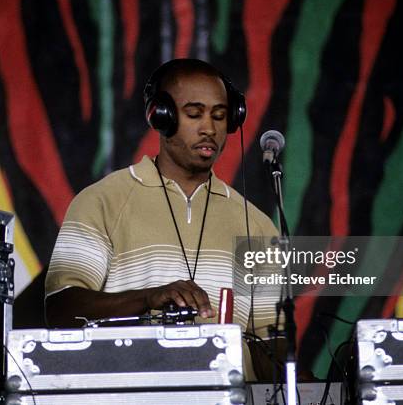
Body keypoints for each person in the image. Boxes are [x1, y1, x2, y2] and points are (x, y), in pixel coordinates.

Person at [44, 59, 280, 378]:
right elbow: (61, 308)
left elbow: (271, 343)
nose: (209, 128)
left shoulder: (259, 225)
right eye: (194, 114)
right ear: (162, 117)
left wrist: (322, 387)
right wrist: (148, 298)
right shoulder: (101, 201)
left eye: (220, 116)